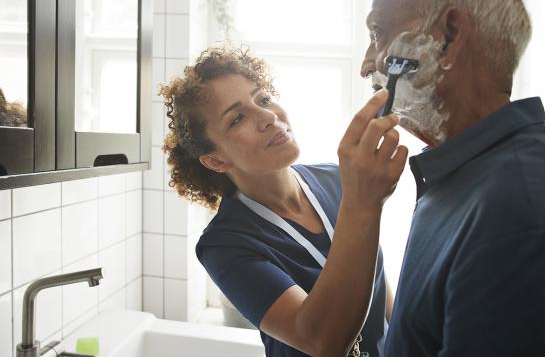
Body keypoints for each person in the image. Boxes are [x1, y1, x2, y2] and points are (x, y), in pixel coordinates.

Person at [160, 46, 408, 357]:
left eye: (263, 99)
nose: (267, 116)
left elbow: (379, 288)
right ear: (215, 161)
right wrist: (364, 204)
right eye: (237, 118)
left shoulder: (337, 179)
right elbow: (322, 342)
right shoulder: (224, 245)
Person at [360, 0, 545, 356]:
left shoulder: (518, 209)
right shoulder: (460, 177)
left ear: (448, 36)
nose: (366, 65)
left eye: (377, 34)